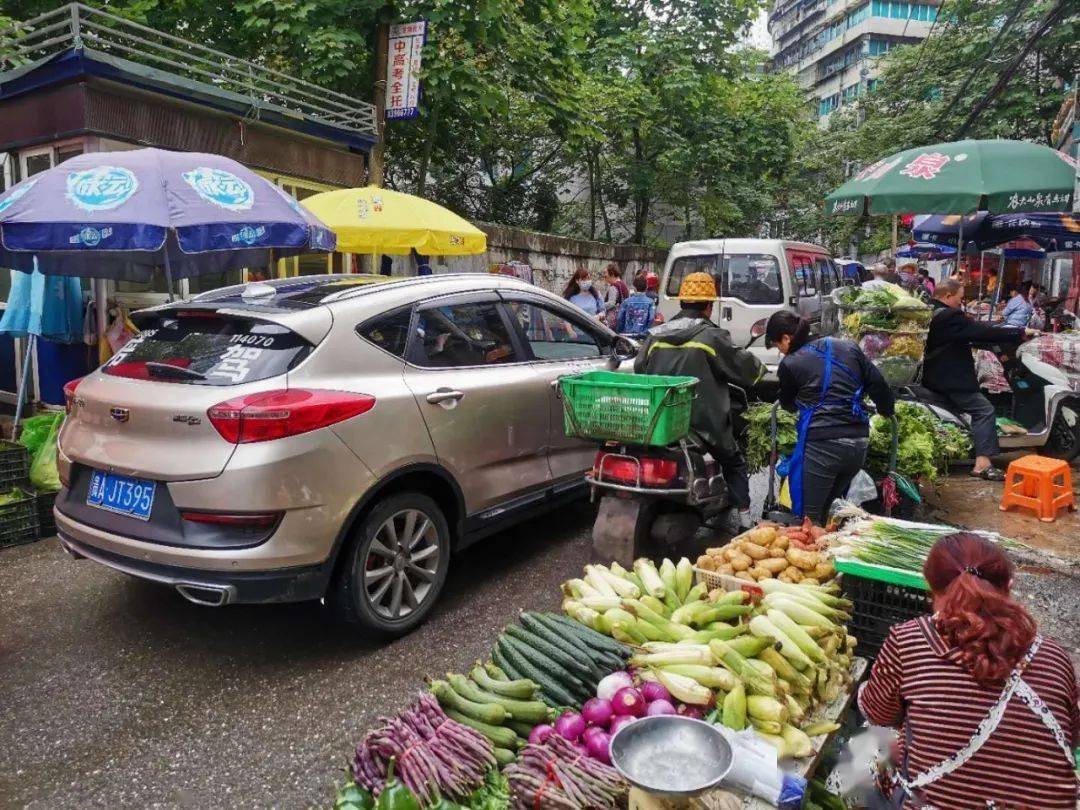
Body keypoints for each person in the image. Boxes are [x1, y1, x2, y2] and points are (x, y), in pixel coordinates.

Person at [859, 532, 1078, 809]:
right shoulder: (1054, 655)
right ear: (1009, 586)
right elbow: (1071, 741)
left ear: (931, 589)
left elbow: (877, 714)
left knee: (862, 753)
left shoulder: (909, 639)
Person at [635, 272, 765, 530]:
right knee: (734, 461)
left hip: (660, 420)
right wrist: (759, 370)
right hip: (702, 422)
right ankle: (746, 521)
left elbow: (640, 367)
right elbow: (747, 369)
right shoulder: (711, 337)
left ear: (682, 302)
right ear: (709, 305)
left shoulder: (655, 335)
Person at [766, 311, 895, 525]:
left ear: (787, 338)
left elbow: (788, 405)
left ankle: (813, 554)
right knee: (829, 511)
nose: (780, 351)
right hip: (858, 446)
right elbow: (879, 386)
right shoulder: (848, 347)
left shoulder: (790, 364)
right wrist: (885, 411)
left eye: (777, 344)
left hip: (822, 448)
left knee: (810, 520)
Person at [923, 278, 1033, 480]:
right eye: (960, 298)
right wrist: (1018, 332)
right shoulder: (949, 316)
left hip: (933, 376)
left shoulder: (930, 311)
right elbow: (980, 330)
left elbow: (972, 331)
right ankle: (983, 464)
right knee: (984, 410)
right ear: (948, 296)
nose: (961, 303)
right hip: (951, 379)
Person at [602, 263, 630, 329]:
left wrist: (600, 304)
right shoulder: (623, 284)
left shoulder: (614, 287)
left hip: (613, 320)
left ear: (612, 274)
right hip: (623, 317)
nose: (604, 276)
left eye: (606, 273)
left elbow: (611, 303)